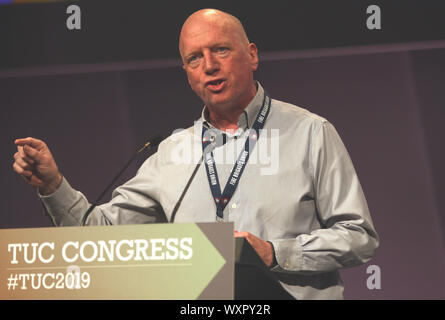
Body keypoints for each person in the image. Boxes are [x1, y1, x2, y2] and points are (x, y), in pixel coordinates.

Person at [12, 9, 379, 299]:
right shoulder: (172, 151)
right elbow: (100, 240)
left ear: (251, 55)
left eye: (220, 49)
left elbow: (358, 235)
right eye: (194, 58)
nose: (209, 66)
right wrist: (53, 185)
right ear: (187, 74)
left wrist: (272, 252)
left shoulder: (311, 132)